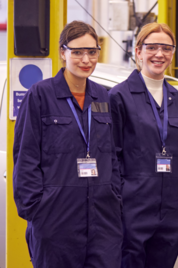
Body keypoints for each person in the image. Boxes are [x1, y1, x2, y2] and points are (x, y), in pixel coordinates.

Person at [13, 21, 122, 267]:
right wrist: (37, 211)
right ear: (63, 53)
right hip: (55, 219)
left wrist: (114, 195)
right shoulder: (40, 95)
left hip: (102, 219)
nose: (86, 59)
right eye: (77, 52)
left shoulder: (102, 96)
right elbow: (25, 156)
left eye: (92, 52)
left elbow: (111, 154)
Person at [109, 23, 178, 268]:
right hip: (134, 205)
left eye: (166, 48)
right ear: (138, 51)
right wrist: (120, 199)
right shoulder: (119, 96)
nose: (159, 54)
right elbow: (112, 155)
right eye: (152, 47)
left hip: (173, 208)